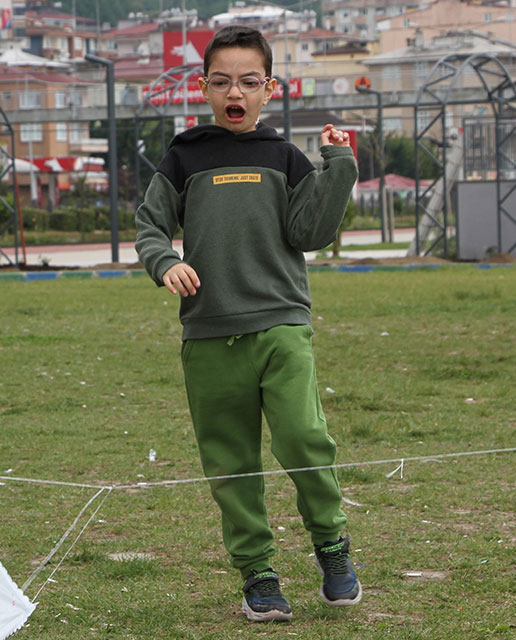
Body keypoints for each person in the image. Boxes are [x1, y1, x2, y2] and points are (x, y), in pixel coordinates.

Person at [134, 25, 361, 623]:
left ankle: (331, 544)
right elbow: (150, 225)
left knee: (303, 438)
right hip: (208, 334)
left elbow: (312, 232)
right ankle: (258, 574)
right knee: (231, 463)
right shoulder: (183, 156)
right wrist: (165, 263)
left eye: (248, 81)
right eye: (222, 81)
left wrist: (339, 164)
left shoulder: (285, 158)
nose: (235, 92)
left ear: (269, 89)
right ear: (203, 87)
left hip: (281, 324)